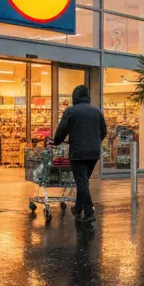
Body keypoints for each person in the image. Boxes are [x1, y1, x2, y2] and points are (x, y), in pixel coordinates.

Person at [52, 84, 107, 220]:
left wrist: (56, 141)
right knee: (83, 181)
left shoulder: (71, 111)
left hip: (78, 153)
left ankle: (89, 212)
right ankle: (78, 208)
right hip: (94, 153)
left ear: (74, 97)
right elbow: (104, 131)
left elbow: (61, 131)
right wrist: (94, 142)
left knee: (81, 182)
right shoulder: (96, 111)